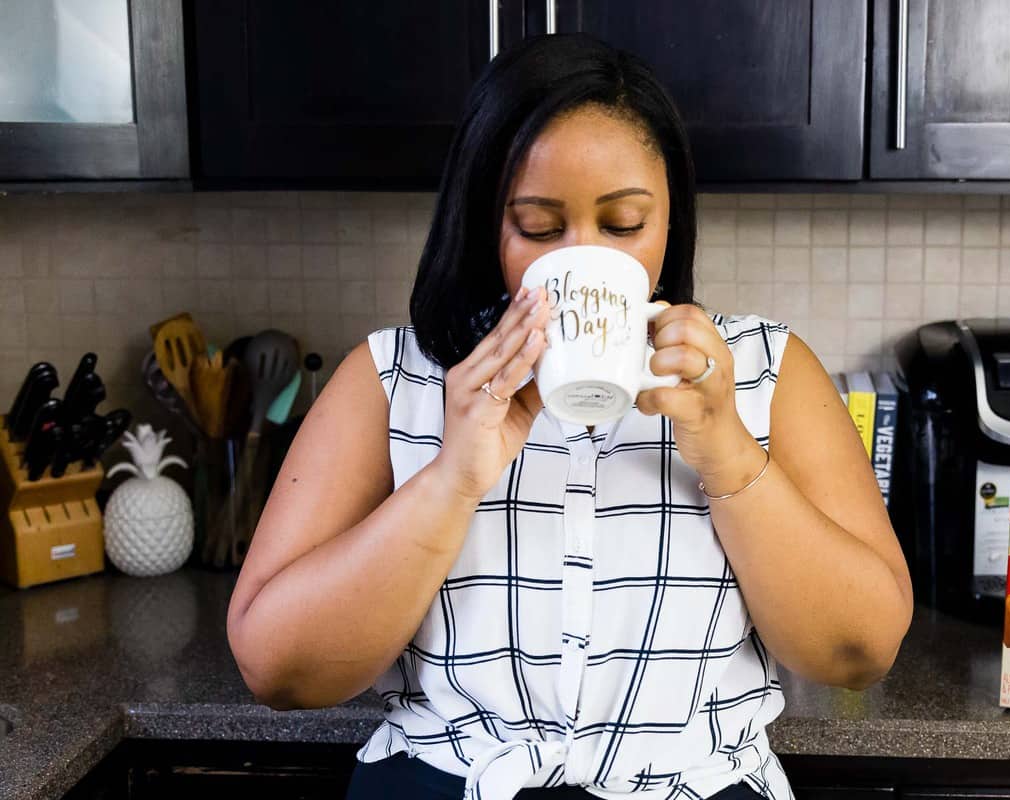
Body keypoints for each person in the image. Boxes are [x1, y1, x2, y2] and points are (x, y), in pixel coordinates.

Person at [226, 32, 913, 800]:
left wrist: (729, 456)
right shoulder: (393, 378)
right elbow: (276, 667)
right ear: (486, 222)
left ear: (670, 220)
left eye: (623, 225)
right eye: (540, 227)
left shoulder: (763, 373)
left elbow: (859, 652)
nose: (584, 257)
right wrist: (453, 479)